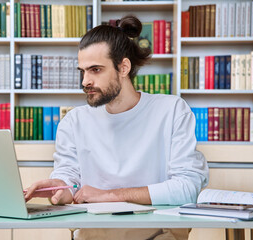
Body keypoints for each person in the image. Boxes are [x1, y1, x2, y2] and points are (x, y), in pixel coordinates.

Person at [24, 15, 209, 240]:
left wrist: (110, 195)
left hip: (157, 234)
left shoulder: (171, 111)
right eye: (82, 71)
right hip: (94, 234)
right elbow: (71, 178)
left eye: (95, 70)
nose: (85, 81)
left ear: (123, 68)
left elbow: (187, 188)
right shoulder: (73, 122)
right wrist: (61, 187)